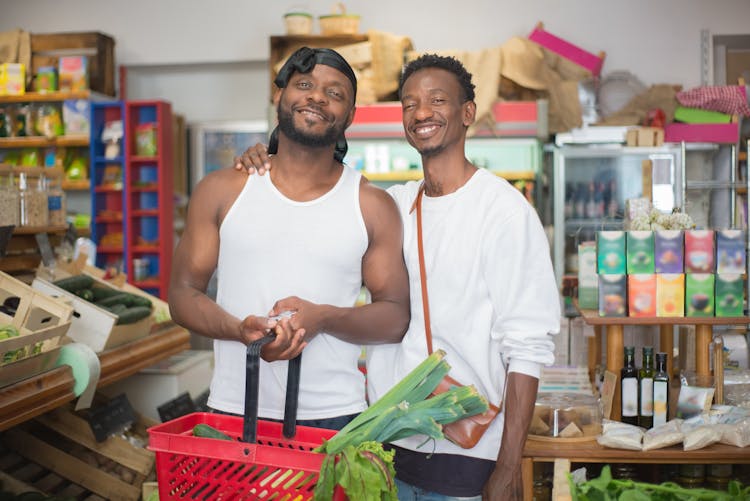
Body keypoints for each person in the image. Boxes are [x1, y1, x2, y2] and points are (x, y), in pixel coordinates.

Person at [236, 54, 560, 500]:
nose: (421, 113)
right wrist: (265, 158)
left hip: (465, 454)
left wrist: (507, 470)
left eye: (437, 100)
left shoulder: (503, 212)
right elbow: (314, 189)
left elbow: (527, 347)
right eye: (409, 104)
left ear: (468, 113)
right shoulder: (395, 204)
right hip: (384, 446)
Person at [169, 46, 410, 431]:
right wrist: (239, 329)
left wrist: (324, 318)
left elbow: (396, 315)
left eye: (335, 93)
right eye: (304, 84)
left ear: (350, 115)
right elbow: (181, 296)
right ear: (279, 94)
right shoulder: (221, 189)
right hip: (233, 409)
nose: (317, 96)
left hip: (333, 419)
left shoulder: (372, 205)